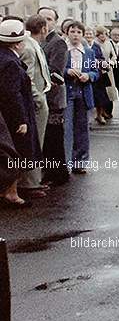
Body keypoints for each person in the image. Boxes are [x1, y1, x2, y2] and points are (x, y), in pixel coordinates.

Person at [0, 19, 41, 207]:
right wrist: (21, 120)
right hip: (13, 115)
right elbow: (12, 93)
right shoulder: (10, 62)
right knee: (17, 152)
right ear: (17, 43)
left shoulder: (4, 57)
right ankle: (11, 192)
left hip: (6, 114)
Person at [18, 14, 51, 199]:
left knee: (36, 141)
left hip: (39, 97)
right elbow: (27, 78)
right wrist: (39, 98)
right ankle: (29, 183)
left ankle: (34, 180)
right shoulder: (29, 48)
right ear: (44, 28)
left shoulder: (31, 44)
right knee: (34, 141)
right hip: (36, 102)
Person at [38, 6, 70, 186]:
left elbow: (56, 72)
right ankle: (50, 172)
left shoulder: (57, 42)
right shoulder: (39, 40)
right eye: (43, 18)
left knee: (54, 138)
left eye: (49, 19)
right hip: (43, 97)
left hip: (53, 97)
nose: (46, 22)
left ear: (55, 22)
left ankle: (58, 174)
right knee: (47, 138)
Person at [63, 21, 98, 174]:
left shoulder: (88, 52)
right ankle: (66, 162)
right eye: (72, 32)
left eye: (78, 32)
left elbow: (95, 72)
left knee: (82, 128)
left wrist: (88, 75)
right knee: (67, 128)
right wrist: (67, 71)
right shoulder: (64, 50)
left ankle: (80, 162)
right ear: (67, 33)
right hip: (68, 92)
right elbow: (55, 69)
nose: (75, 35)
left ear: (83, 35)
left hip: (83, 92)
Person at [84, 27, 109, 125]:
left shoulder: (96, 46)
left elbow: (101, 58)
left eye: (90, 34)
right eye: (87, 34)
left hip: (97, 74)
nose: (88, 36)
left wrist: (99, 62)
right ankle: (88, 118)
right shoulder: (81, 45)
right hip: (86, 73)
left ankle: (99, 115)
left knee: (100, 97)